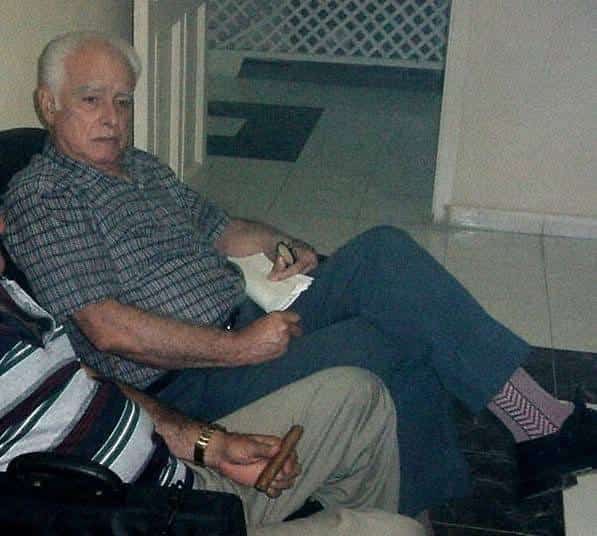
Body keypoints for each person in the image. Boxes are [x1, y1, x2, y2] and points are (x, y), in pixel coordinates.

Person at [2, 31, 596, 516]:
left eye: (123, 101)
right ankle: (430, 500)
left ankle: (537, 426)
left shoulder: (141, 167)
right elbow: (106, 329)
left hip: (250, 323)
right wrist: (239, 348)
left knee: (382, 255)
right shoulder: (45, 196)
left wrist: (282, 241)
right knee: (390, 341)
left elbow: (222, 228)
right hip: (188, 379)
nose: (112, 118)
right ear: (48, 104)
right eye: (91, 100)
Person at [0, 243, 425, 535]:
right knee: (399, 532)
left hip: (183, 481)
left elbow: (93, 380)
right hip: (142, 522)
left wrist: (211, 446)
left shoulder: (10, 295)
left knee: (357, 395)